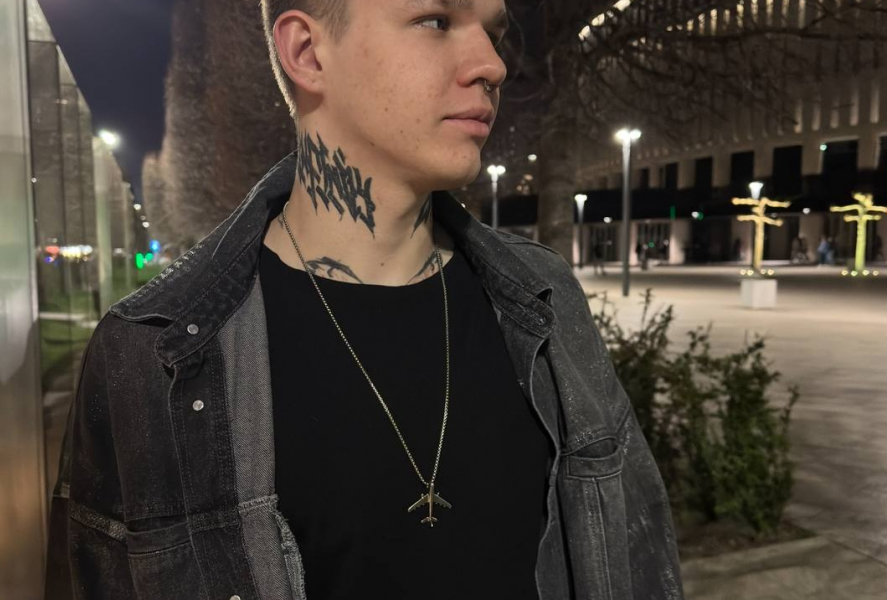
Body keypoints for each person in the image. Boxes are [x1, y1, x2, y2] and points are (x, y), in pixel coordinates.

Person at [44, 1, 683, 599]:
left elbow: (638, 559)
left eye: (494, 32)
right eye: (435, 20)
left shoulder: (545, 299)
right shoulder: (152, 355)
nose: (492, 65)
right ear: (307, 52)